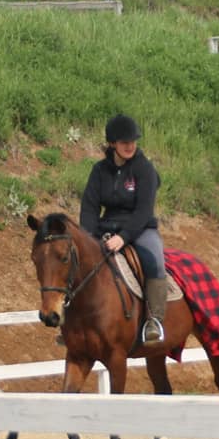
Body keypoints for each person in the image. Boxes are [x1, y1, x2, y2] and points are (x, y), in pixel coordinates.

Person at [79, 114, 168, 345]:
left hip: (139, 228)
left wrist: (123, 237)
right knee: (78, 259)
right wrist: (87, 238)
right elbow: (89, 207)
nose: (130, 146)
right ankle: (75, 318)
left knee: (154, 259)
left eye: (133, 141)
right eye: (124, 142)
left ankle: (154, 320)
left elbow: (144, 210)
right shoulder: (99, 171)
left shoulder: (144, 169)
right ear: (112, 144)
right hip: (106, 225)